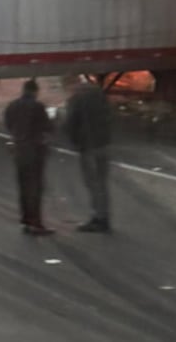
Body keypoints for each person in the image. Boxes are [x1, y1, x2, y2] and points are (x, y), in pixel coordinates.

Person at [4, 78, 55, 235]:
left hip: (19, 150)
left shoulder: (12, 106)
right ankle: (36, 222)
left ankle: (25, 219)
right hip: (34, 150)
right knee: (35, 187)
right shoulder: (37, 107)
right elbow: (48, 127)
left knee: (23, 186)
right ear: (35, 91)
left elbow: (8, 124)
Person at [64, 75, 113, 233]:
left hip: (88, 146)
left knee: (93, 184)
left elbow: (71, 122)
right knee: (102, 183)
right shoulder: (98, 93)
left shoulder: (77, 98)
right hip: (102, 144)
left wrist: (74, 141)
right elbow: (109, 116)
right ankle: (104, 216)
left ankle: (98, 218)